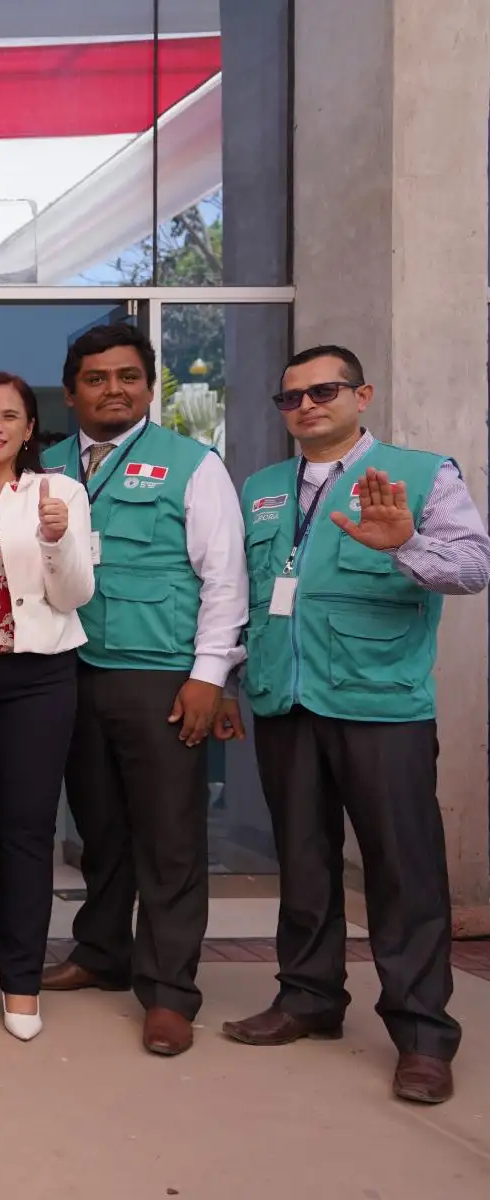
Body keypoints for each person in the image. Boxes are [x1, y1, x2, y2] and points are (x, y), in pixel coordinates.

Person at [221, 345, 490, 1105]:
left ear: (361, 395)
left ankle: (423, 1035)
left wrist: (406, 543)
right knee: (303, 863)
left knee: (403, 873)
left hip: (380, 704)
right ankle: (308, 999)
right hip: (287, 703)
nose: (306, 406)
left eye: (324, 391)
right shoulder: (265, 487)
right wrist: (235, 676)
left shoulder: (421, 473)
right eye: (291, 397)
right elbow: (249, 592)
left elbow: (473, 567)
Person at [36, 323, 246, 1058]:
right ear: (71, 392)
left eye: (128, 376)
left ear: (148, 386)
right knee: (100, 831)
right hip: (68, 669)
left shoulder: (191, 464)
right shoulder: (48, 467)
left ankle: (169, 991)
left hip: (158, 673)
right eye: (96, 378)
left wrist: (208, 677)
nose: (113, 389)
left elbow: (224, 578)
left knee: (168, 837)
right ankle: (101, 952)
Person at [0, 373, 94, 1041]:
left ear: (31, 428)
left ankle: (23, 977)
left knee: (27, 830)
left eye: (10, 415)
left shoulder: (59, 493)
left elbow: (75, 596)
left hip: (39, 677)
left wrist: (57, 540)